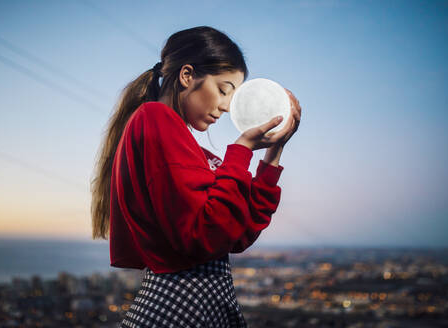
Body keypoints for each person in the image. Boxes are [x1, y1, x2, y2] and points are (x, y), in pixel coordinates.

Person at [90, 26, 301, 328]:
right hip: (178, 305)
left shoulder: (195, 152)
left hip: (197, 304)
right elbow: (204, 235)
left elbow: (236, 233)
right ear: (187, 76)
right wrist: (241, 151)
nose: (228, 106)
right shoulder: (154, 118)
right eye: (224, 89)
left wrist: (273, 153)